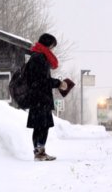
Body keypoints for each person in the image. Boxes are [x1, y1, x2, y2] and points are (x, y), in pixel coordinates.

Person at [26, 33, 67, 161]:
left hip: (37, 98)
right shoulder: (40, 58)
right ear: (47, 45)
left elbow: (39, 80)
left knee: (40, 126)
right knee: (42, 126)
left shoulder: (36, 56)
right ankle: (39, 152)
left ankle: (39, 152)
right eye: (52, 46)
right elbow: (42, 81)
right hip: (41, 98)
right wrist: (59, 83)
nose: (52, 50)